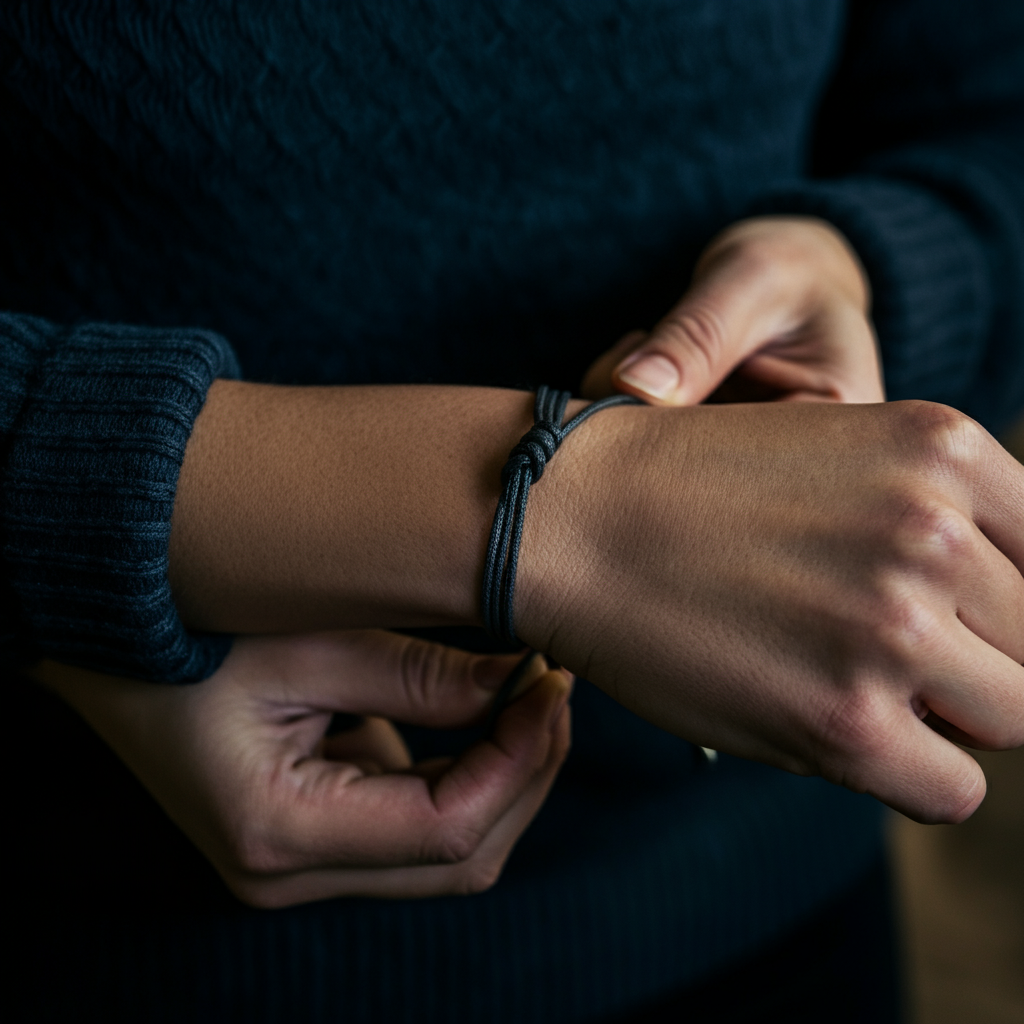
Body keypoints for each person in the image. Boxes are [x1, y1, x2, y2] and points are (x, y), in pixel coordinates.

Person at [3, 1, 1022, 1021]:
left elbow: (990, 107)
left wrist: (861, 268)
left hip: (767, 892)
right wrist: (93, 544)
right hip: (112, 913)